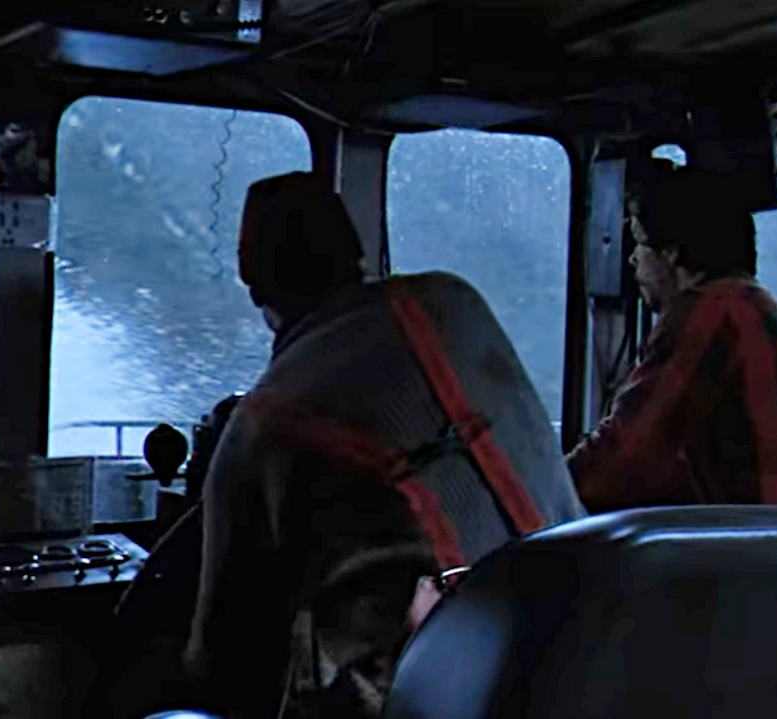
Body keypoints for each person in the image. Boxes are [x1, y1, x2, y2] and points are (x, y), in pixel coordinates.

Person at [179, 172, 586, 719]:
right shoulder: (454, 302)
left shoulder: (261, 428)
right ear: (357, 256)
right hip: (585, 649)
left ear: (253, 286)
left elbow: (221, 661)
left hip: (445, 701)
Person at [568, 167, 777, 512]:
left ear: (672, 253)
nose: (632, 258)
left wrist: (546, 490)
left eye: (640, 243)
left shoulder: (709, 314)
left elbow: (619, 461)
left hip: (740, 541)